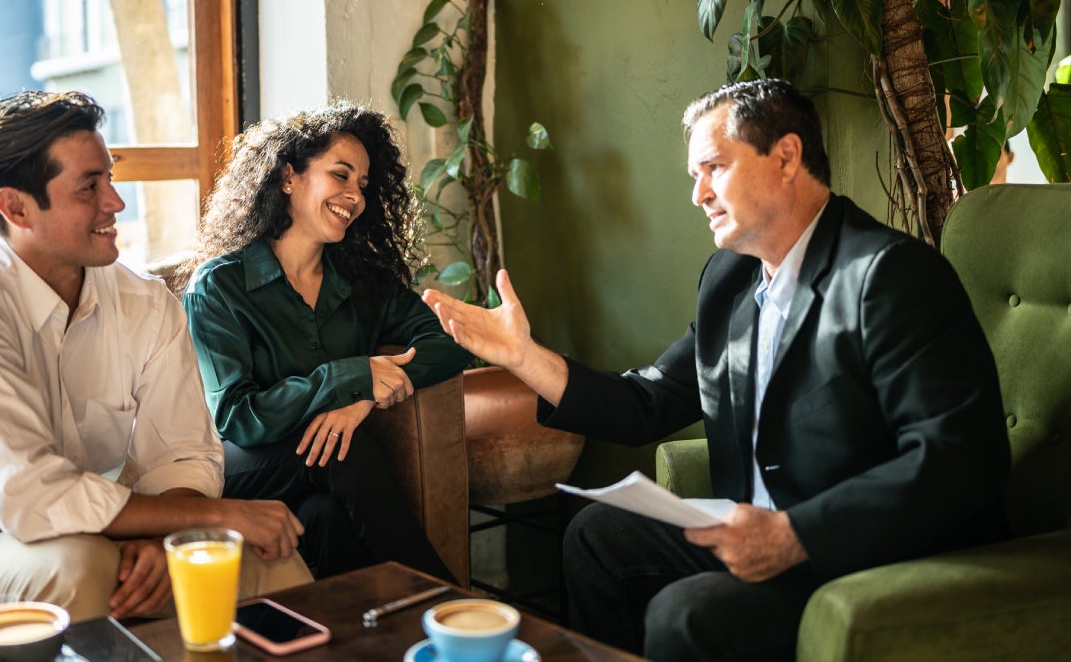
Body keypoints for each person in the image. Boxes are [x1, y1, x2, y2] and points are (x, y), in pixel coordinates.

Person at [422, 79, 1011, 660]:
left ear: (786, 157)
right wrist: (523, 356)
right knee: (598, 537)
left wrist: (796, 534)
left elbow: (961, 458)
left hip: (858, 550)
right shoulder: (729, 281)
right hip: (756, 536)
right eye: (693, 176)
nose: (698, 193)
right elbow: (646, 403)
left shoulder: (887, 275)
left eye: (713, 167)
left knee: (684, 616)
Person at [0, 90, 312, 644]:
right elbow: (31, 494)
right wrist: (226, 513)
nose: (115, 201)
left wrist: (167, 541)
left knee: (266, 560)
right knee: (82, 570)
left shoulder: (148, 304)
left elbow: (182, 456)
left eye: (110, 177)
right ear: (16, 208)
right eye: (89, 187)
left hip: (92, 535)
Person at [177, 101, 472, 582]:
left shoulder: (362, 279)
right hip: (241, 465)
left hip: (324, 473)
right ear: (289, 177)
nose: (354, 195)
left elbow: (449, 341)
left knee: (326, 516)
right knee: (345, 451)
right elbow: (237, 417)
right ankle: (447, 603)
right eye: (340, 175)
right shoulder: (219, 286)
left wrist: (362, 401)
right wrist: (352, 376)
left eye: (363, 185)